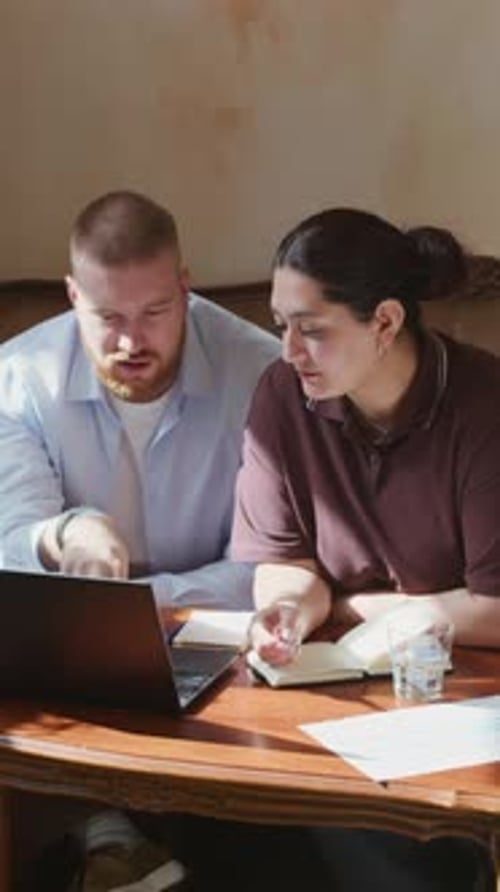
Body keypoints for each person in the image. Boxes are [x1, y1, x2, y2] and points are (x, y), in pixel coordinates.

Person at [227, 207, 500, 891]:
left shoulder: (485, 408)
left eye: (312, 331)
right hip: (337, 692)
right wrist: (288, 610)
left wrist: (358, 609)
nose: (288, 350)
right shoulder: (281, 399)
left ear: (384, 322)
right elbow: (285, 560)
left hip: (466, 700)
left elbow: (497, 609)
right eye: (279, 325)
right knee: (208, 799)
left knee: (357, 825)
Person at [0, 190, 278, 609]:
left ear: (185, 289)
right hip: (69, 632)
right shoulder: (17, 380)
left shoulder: (264, 375)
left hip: (224, 637)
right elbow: (11, 545)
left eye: (154, 312)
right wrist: (67, 533)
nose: (131, 342)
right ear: (74, 296)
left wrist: (134, 602)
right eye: (108, 317)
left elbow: (266, 566)